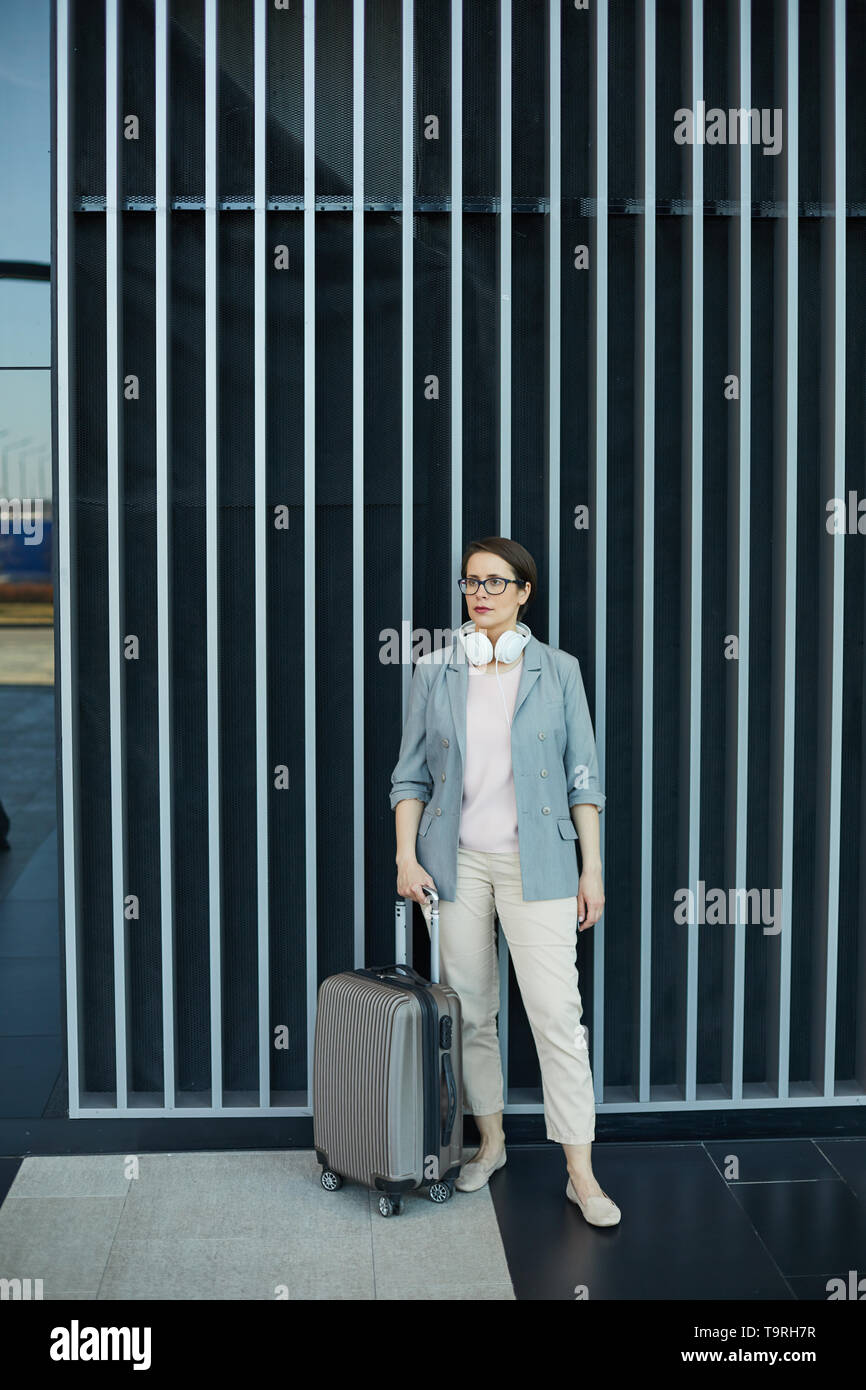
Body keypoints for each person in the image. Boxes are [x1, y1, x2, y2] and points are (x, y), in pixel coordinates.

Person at [389, 537, 620, 1226]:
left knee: (557, 1019)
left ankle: (581, 1173)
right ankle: (489, 1145)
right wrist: (406, 856)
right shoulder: (434, 670)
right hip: (453, 864)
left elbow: (585, 776)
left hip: (540, 866)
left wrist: (592, 867)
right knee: (471, 1011)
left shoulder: (558, 671)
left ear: (525, 591)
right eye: (470, 582)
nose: (480, 593)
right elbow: (411, 775)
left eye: (496, 581)